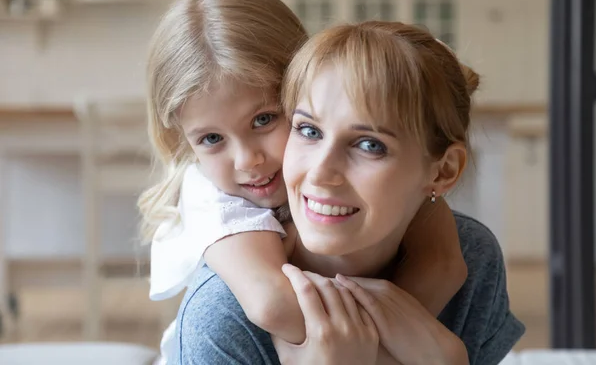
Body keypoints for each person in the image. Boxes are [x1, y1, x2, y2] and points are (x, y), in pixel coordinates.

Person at [138, 0, 469, 364]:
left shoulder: (466, 241)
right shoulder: (211, 199)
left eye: (264, 119)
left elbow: (444, 263)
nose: (247, 160)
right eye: (212, 138)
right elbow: (272, 303)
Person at [173, 20, 525, 364]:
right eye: (308, 130)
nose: (321, 173)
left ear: (443, 170)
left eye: (370, 145)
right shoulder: (223, 316)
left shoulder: (472, 258)